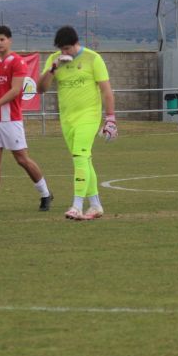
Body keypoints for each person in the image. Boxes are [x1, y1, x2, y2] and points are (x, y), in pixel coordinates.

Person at [0, 25, 53, 214]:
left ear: (10, 40)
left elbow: (16, 90)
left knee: (22, 159)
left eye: (2, 39)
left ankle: (46, 194)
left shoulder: (17, 62)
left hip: (10, 119)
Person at [38, 25, 116, 221]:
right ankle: (96, 205)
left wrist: (110, 118)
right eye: (61, 49)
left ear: (76, 44)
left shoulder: (92, 58)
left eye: (67, 49)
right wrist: (53, 68)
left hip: (89, 117)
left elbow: (106, 90)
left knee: (80, 155)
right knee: (83, 159)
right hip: (67, 119)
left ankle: (77, 205)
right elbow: (41, 89)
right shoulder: (54, 60)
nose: (65, 53)